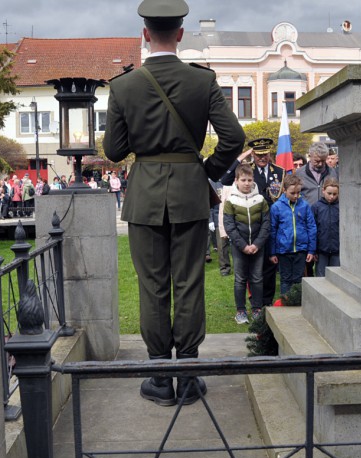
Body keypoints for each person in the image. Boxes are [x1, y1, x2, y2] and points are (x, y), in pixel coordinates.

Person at [103, 0, 245, 407]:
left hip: (145, 194)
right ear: (180, 34)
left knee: (152, 287)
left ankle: (160, 378)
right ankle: (189, 375)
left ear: (146, 34)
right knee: (189, 284)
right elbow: (232, 138)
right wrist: (206, 170)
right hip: (189, 192)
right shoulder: (203, 82)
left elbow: (113, 151)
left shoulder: (124, 86)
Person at [223, 164, 270, 324]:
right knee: (240, 279)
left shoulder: (261, 199)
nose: (247, 183)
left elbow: (266, 224)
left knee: (257, 278)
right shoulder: (231, 200)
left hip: (258, 246)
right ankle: (241, 311)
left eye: (250, 180)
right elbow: (229, 225)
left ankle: (257, 308)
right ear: (236, 181)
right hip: (239, 247)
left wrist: (256, 244)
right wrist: (243, 245)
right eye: (243, 180)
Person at [269, 174, 316, 295]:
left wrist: (311, 250)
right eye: (292, 193)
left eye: (298, 193)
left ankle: (297, 303)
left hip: (301, 249)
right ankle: (286, 304)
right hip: (284, 250)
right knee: (285, 279)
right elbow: (273, 230)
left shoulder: (304, 206)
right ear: (284, 190)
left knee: (298, 279)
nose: (296, 196)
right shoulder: (276, 207)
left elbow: (311, 227)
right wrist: (272, 252)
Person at [312, 178, 340, 277]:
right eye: (329, 193)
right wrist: (313, 250)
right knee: (321, 278)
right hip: (321, 250)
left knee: (337, 278)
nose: (331, 197)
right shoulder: (316, 207)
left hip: (337, 250)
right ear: (323, 190)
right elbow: (313, 230)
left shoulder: (341, 207)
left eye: (335, 194)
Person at [299, 141, 338, 207]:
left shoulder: (333, 173)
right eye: (317, 161)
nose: (320, 164)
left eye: (323, 161)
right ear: (310, 156)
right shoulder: (300, 173)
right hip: (307, 214)